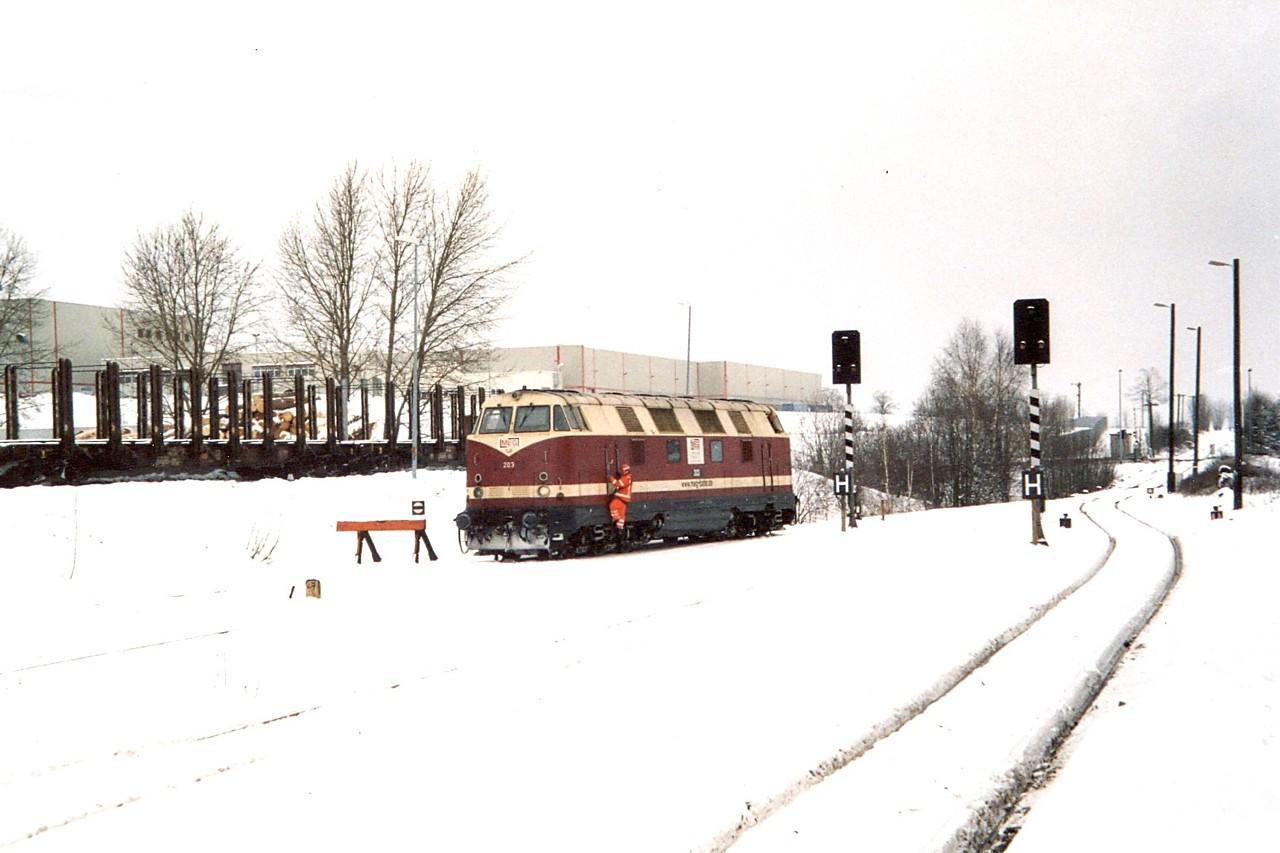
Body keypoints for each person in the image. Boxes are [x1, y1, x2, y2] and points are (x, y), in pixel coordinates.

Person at [608, 463, 633, 543]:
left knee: (612, 506)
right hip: (624, 499)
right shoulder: (627, 477)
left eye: (622, 470)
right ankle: (620, 530)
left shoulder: (626, 478)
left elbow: (618, 484)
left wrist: (611, 478)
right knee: (622, 516)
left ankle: (615, 520)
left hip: (621, 498)